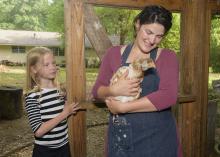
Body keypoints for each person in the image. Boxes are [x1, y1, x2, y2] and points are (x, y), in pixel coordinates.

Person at [92, 5, 182, 157]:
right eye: (149, 32)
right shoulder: (113, 54)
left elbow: (168, 96)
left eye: (159, 36)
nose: (152, 40)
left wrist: (123, 108)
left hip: (157, 141)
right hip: (122, 138)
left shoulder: (167, 56)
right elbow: (97, 91)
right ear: (138, 24)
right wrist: (113, 90)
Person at [25, 47, 80, 157]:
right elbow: (38, 131)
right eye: (46, 65)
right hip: (44, 152)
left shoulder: (60, 91)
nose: (53, 67)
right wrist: (64, 114)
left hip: (64, 148)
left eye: (53, 63)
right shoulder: (32, 97)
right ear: (34, 69)